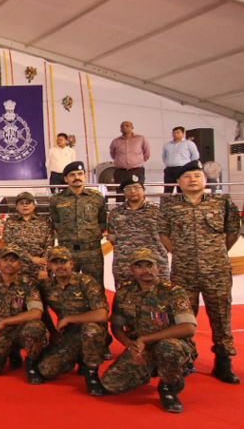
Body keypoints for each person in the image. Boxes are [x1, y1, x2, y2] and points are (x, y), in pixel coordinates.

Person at [159, 160, 240, 383]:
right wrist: (179, 252)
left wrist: (217, 252)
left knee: (221, 317)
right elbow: (163, 233)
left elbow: (232, 231)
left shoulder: (222, 202)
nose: (192, 179)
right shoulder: (170, 205)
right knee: (184, 317)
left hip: (217, 271)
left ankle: (223, 362)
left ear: (205, 179)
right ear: (178, 182)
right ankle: (187, 359)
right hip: (184, 272)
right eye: (187, 176)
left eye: (197, 175)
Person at [101, 248, 197, 413]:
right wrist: (129, 344)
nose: (145, 270)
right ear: (132, 269)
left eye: (149, 265)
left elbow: (188, 328)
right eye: (139, 266)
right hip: (141, 348)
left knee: (168, 348)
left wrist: (145, 338)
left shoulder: (173, 292)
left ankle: (169, 387)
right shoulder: (124, 292)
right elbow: (116, 325)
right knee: (111, 383)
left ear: (158, 267)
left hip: (171, 345)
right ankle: (151, 369)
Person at [36, 247, 107, 396]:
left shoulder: (86, 282)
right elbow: (40, 311)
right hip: (68, 335)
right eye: (55, 263)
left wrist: (69, 318)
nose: (60, 266)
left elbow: (102, 314)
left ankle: (91, 374)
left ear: (72, 263)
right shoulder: (46, 286)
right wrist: (53, 332)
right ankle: (77, 356)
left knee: (91, 330)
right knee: (46, 369)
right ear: (49, 266)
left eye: (64, 262)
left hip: (90, 330)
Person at [0, 245, 48, 383]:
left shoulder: (28, 283)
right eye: (5, 259)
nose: (9, 263)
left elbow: (37, 313)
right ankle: (12, 352)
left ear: (19, 263)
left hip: (23, 330)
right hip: (2, 333)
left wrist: (4, 321)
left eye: (13, 260)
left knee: (36, 328)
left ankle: (31, 363)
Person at [49, 161, 107, 287]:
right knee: (67, 287)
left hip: (92, 252)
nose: (77, 177)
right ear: (65, 178)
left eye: (80, 174)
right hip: (67, 251)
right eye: (72, 175)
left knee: (95, 288)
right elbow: (55, 222)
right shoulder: (56, 199)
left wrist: (92, 234)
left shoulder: (96, 197)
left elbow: (102, 221)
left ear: (85, 176)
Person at [107, 175, 169, 288]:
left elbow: (167, 236)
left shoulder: (158, 210)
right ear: (123, 193)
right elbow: (112, 239)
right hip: (125, 266)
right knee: (126, 301)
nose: (133, 191)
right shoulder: (116, 213)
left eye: (136, 187)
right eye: (128, 189)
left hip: (154, 265)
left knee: (160, 301)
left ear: (143, 190)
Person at [1, 192, 53, 283]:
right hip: (17, 268)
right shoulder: (10, 222)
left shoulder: (44, 221)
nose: (25, 205)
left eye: (28, 202)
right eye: (21, 203)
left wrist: (44, 268)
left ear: (34, 205)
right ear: (16, 206)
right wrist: (31, 258)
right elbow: (10, 245)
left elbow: (49, 245)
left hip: (40, 269)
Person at [109, 120, 150, 190]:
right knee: (120, 193)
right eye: (122, 126)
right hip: (121, 172)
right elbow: (113, 154)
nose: (125, 127)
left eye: (127, 126)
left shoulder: (141, 139)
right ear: (120, 129)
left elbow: (146, 153)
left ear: (132, 127)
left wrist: (137, 162)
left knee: (137, 191)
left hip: (137, 170)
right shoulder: (116, 141)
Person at [161, 126, 199, 193]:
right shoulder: (167, 145)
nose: (175, 134)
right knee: (167, 190)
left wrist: (187, 166)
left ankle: (182, 203)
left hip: (182, 169)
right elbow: (164, 157)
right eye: (174, 133)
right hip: (170, 169)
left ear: (183, 133)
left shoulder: (188, 143)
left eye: (178, 132)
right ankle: (167, 203)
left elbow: (195, 156)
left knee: (181, 189)